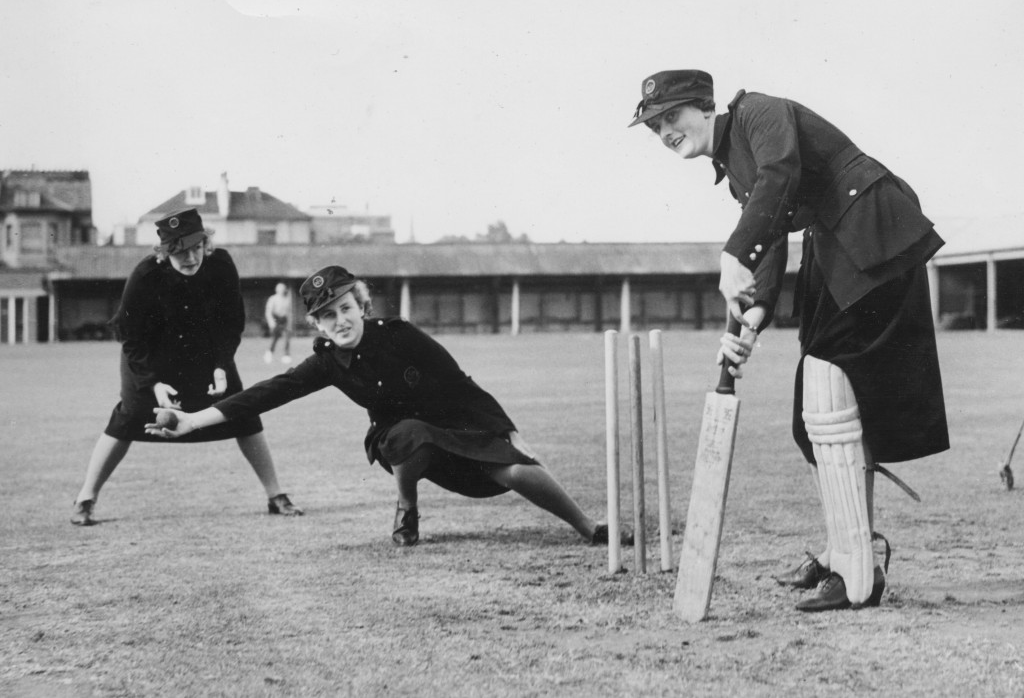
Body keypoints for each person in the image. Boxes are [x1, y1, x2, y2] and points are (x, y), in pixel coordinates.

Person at [629, 70, 949, 611]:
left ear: (706, 108)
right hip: (839, 247)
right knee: (826, 402)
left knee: (829, 383)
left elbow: (780, 176)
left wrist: (733, 253)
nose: (664, 131)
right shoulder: (733, 168)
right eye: (655, 125)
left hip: (871, 228)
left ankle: (856, 574)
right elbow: (771, 236)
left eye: (672, 116)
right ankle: (848, 553)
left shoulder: (758, 113)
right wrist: (751, 319)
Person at [146, 265, 626, 548]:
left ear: (361, 304)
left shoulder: (400, 335)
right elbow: (264, 394)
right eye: (327, 316)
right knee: (408, 432)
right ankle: (407, 507)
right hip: (397, 439)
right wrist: (192, 420)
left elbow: (460, 383)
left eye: (346, 309)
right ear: (317, 325)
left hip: (452, 426)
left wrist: (510, 433)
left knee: (517, 471)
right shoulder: (326, 363)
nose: (340, 322)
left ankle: (589, 527)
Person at [70, 208, 302, 526]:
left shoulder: (221, 265)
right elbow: (131, 338)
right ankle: (86, 498)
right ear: (165, 252)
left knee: (243, 411)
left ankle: (276, 495)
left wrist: (222, 366)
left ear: (205, 243)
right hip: (149, 357)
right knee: (128, 417)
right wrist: (153, 384)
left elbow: (231, 324)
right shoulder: (145, 275)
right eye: (180, 252)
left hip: (205, 354)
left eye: (196, 248)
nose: (191, 258)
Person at [264, 282, 293, 365]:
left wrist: (289, 323)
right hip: (276, 319)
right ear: (277, 290)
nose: (282, 290)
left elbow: (289, 312)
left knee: (287, 337)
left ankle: (286, 355)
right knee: (275, 338)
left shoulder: (287, 299)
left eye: (283, 289)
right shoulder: (272, 299)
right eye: (280, 289)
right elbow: (268, 312)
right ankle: (269, 353)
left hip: (284, 320)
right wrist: (271, 322)